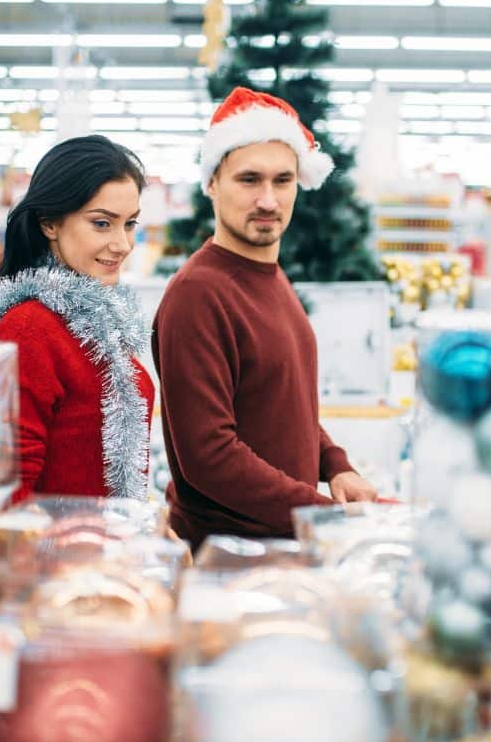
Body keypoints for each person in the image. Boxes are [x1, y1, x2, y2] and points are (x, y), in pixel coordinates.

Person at [152, 87, 378, 551]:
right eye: (249, 180)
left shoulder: (271, 276)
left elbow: (278, 403)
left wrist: (334, 464)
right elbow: (209, 456)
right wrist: (323, 516)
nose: (269, 201)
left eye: (283, 180)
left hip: (276, 550)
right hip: (227, 560)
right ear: (212, 183)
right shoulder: (198, 295)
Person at [0, 135, 153, 503]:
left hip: (103, 554)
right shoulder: (29, 329)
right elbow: (4, 492)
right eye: (102, 224)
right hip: (55, 557)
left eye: (129, 224)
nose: (123, 244)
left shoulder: (95, 323)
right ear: (49, 223)